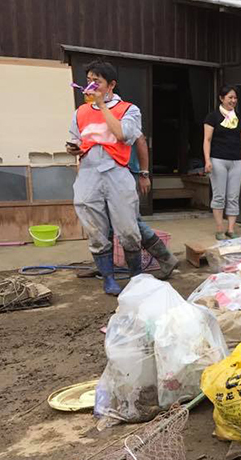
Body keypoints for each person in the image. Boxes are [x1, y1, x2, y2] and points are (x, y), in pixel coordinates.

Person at [67, 60, 143, 296]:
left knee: (128, 230)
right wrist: (73, 148)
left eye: (96, 82)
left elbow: (122, 134)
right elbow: (76, 139)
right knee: (95, 230)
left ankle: (137, 278)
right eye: (88, 81)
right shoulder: (80, 112)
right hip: (88, 172)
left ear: (111, 85)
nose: (91, 86)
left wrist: (101, 106)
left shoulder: (129, 109)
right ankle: (108, 279)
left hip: (116, 171)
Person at [203, 86, 241, 240]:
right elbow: (207, 140)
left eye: (235, 98)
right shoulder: (212, 117)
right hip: (218, 160)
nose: (233, 100)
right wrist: (207, 160)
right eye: (230, 97)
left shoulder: (239, 118)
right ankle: (220, 229)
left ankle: (231, 230)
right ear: (221, 98)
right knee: (219, 196)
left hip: (236, 161)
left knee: (233, 196)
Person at [126, 135, 179, 280]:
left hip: (128, 171)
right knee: (108, 221)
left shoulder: (127, 113)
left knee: (131, 221)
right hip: (104, 174)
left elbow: (140, 140)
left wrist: (143, 173)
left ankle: (166, 258)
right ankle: (104, 265)